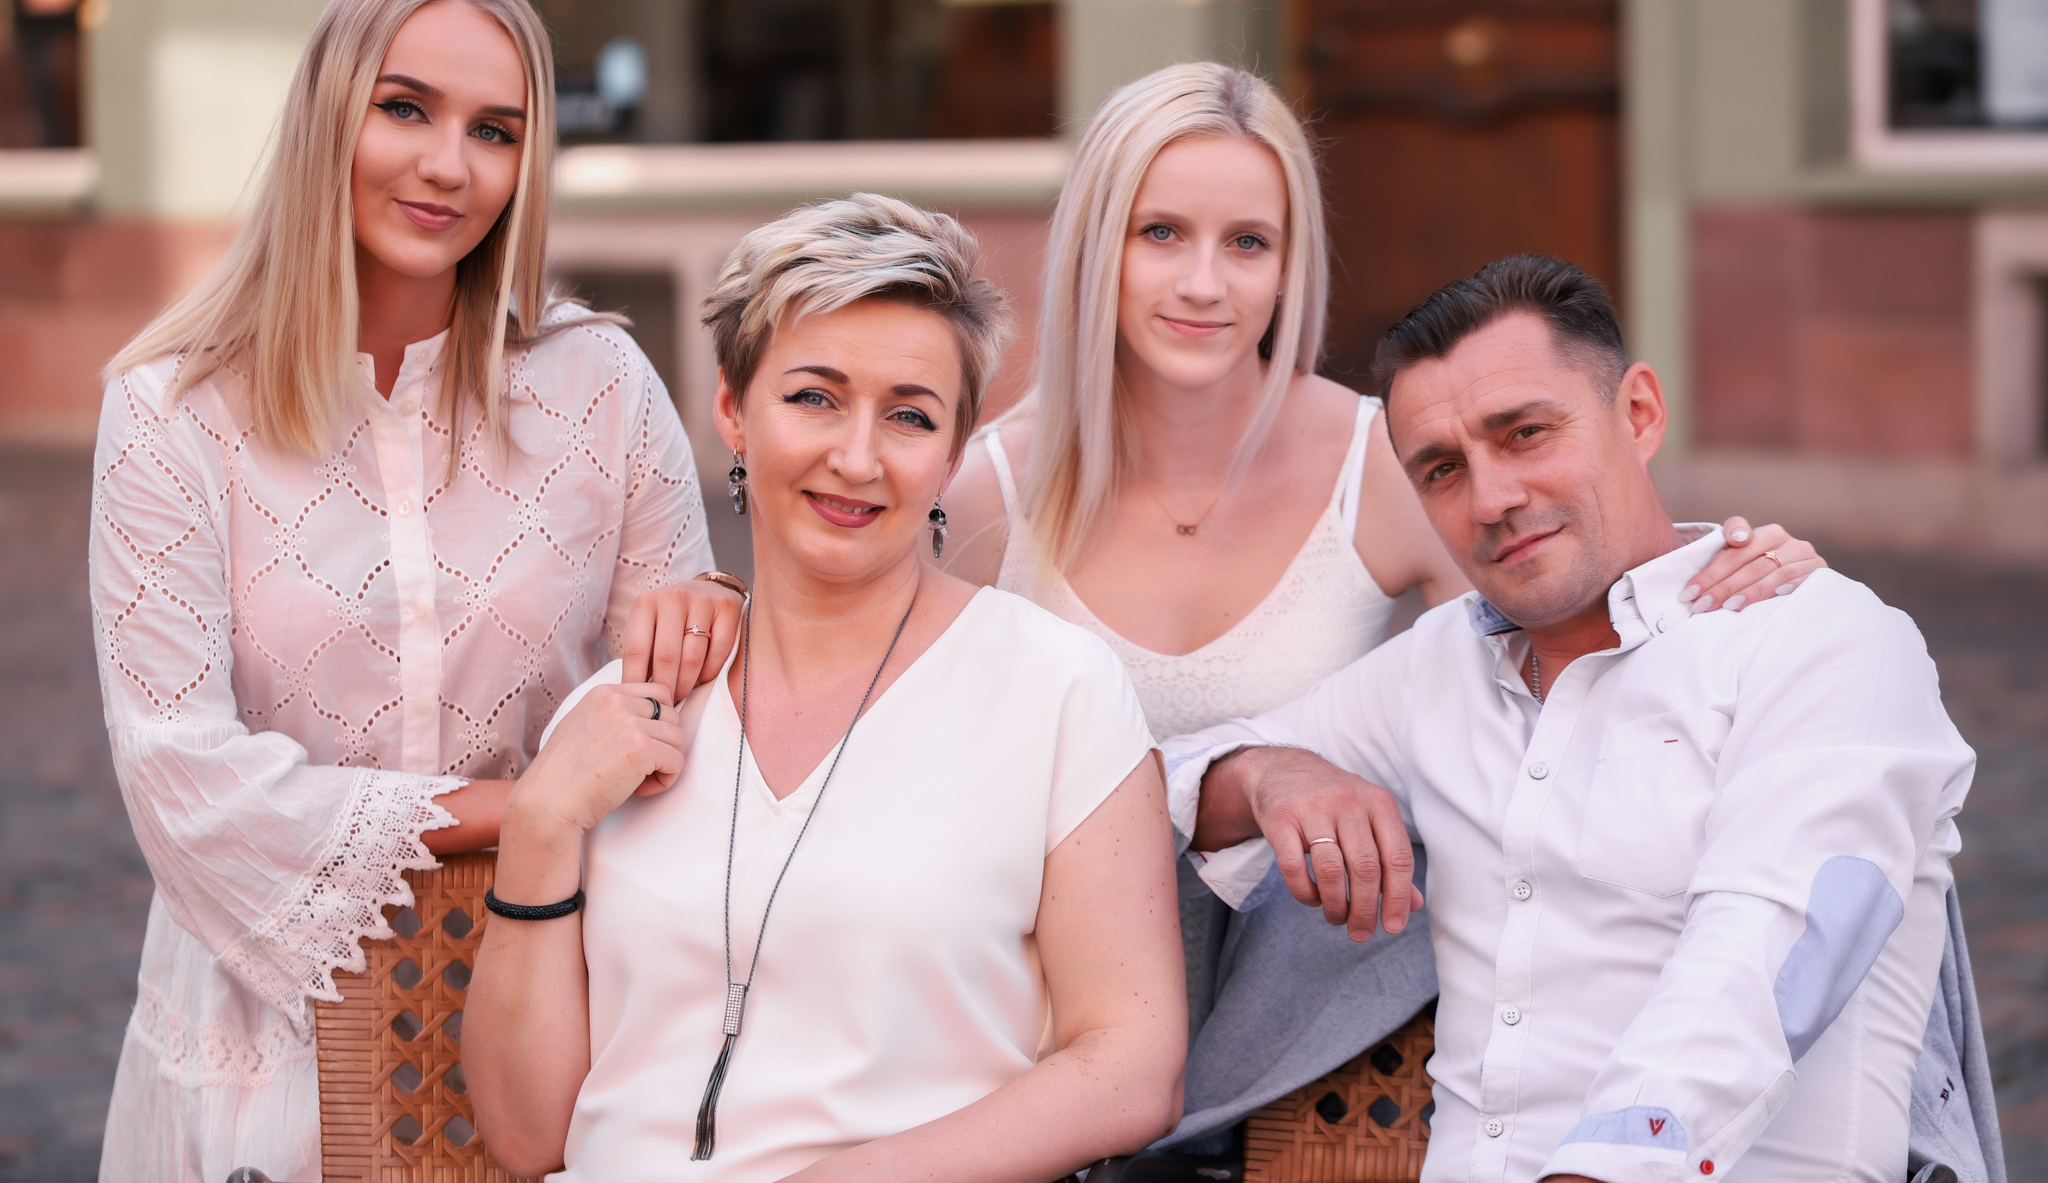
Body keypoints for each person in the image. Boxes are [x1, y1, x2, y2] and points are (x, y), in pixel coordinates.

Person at [939, 62, 1827, 1147]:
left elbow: (1567, 639)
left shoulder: (1383, 462)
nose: (1204, 284)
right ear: (1093, 246)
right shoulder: (982, 492)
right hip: (1034, 1025)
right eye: (1159, 233)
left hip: (1304, 1051)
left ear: (1290, 265)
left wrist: (1711, 570)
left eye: (1247, 243)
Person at [88, 0, 743, 1182]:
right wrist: (527, 808)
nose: (449, 165)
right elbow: (183, 780)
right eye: (404, 108)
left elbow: (672, 718)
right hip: (261, 1045)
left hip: (557, 1008)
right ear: (328, 113)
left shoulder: (601, 386)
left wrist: (709, 620)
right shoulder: (171, 412)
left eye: (495, 131)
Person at [1165, 255, 1977, 1181]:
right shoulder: (1436, 668)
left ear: (1640, 413)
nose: (1492, 500)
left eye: (1525, 433)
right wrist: (1265, 774)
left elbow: (1767, 955)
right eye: (1442, 469)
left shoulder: (1819, 638)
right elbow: (1144, 789)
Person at [464, 194, 1187, 1181]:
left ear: (951, 455)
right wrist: (540, 826)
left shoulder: (1056, 690)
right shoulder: (624, 709)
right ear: (732, 411)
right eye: (813, 398)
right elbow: (525, 1137)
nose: (855, 457)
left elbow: (1133, 1068)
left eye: (909, 416)